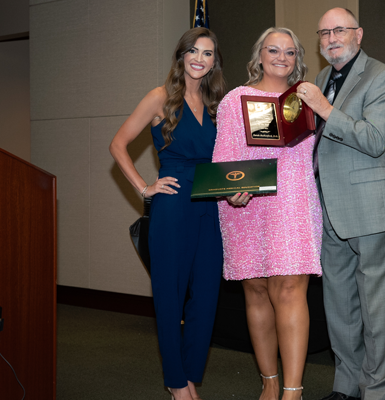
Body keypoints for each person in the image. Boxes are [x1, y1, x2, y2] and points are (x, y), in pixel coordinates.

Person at [109, 27, 226, 400]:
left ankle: (189, 375)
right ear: (181, 55)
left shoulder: (214, 103)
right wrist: (144, 187)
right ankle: (177, 384)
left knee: (206, 298)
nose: (199, 58)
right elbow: (118, 144)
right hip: (173, 206)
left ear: (213, 63)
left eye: (207, 54)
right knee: (169, 295)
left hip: (210, 207)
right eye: (193, 51)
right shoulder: (160, 97)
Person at [296, 8, 385, 400]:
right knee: (339, 307)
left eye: (338, 30)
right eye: (323, 32)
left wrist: (324, 109)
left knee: (379, 310)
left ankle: (376, 391)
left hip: (370, 208)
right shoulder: (324, 78)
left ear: (358, 34)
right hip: (327, 208)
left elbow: (375, 139)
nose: (330, 38)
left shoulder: (381, 76)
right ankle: (346, 386)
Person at [212, 27, 322, 400]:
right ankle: (270, 382)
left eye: (289, 52)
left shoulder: (307, 98)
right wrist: (231, 191)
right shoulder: (235, 99)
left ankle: (293, 390)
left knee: (291, 290)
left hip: (294, 202)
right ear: (259, 55)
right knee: (257, 291)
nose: (281, 57)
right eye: (273, 50)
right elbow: (224, 157)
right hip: (246, 205)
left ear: (297, 59)